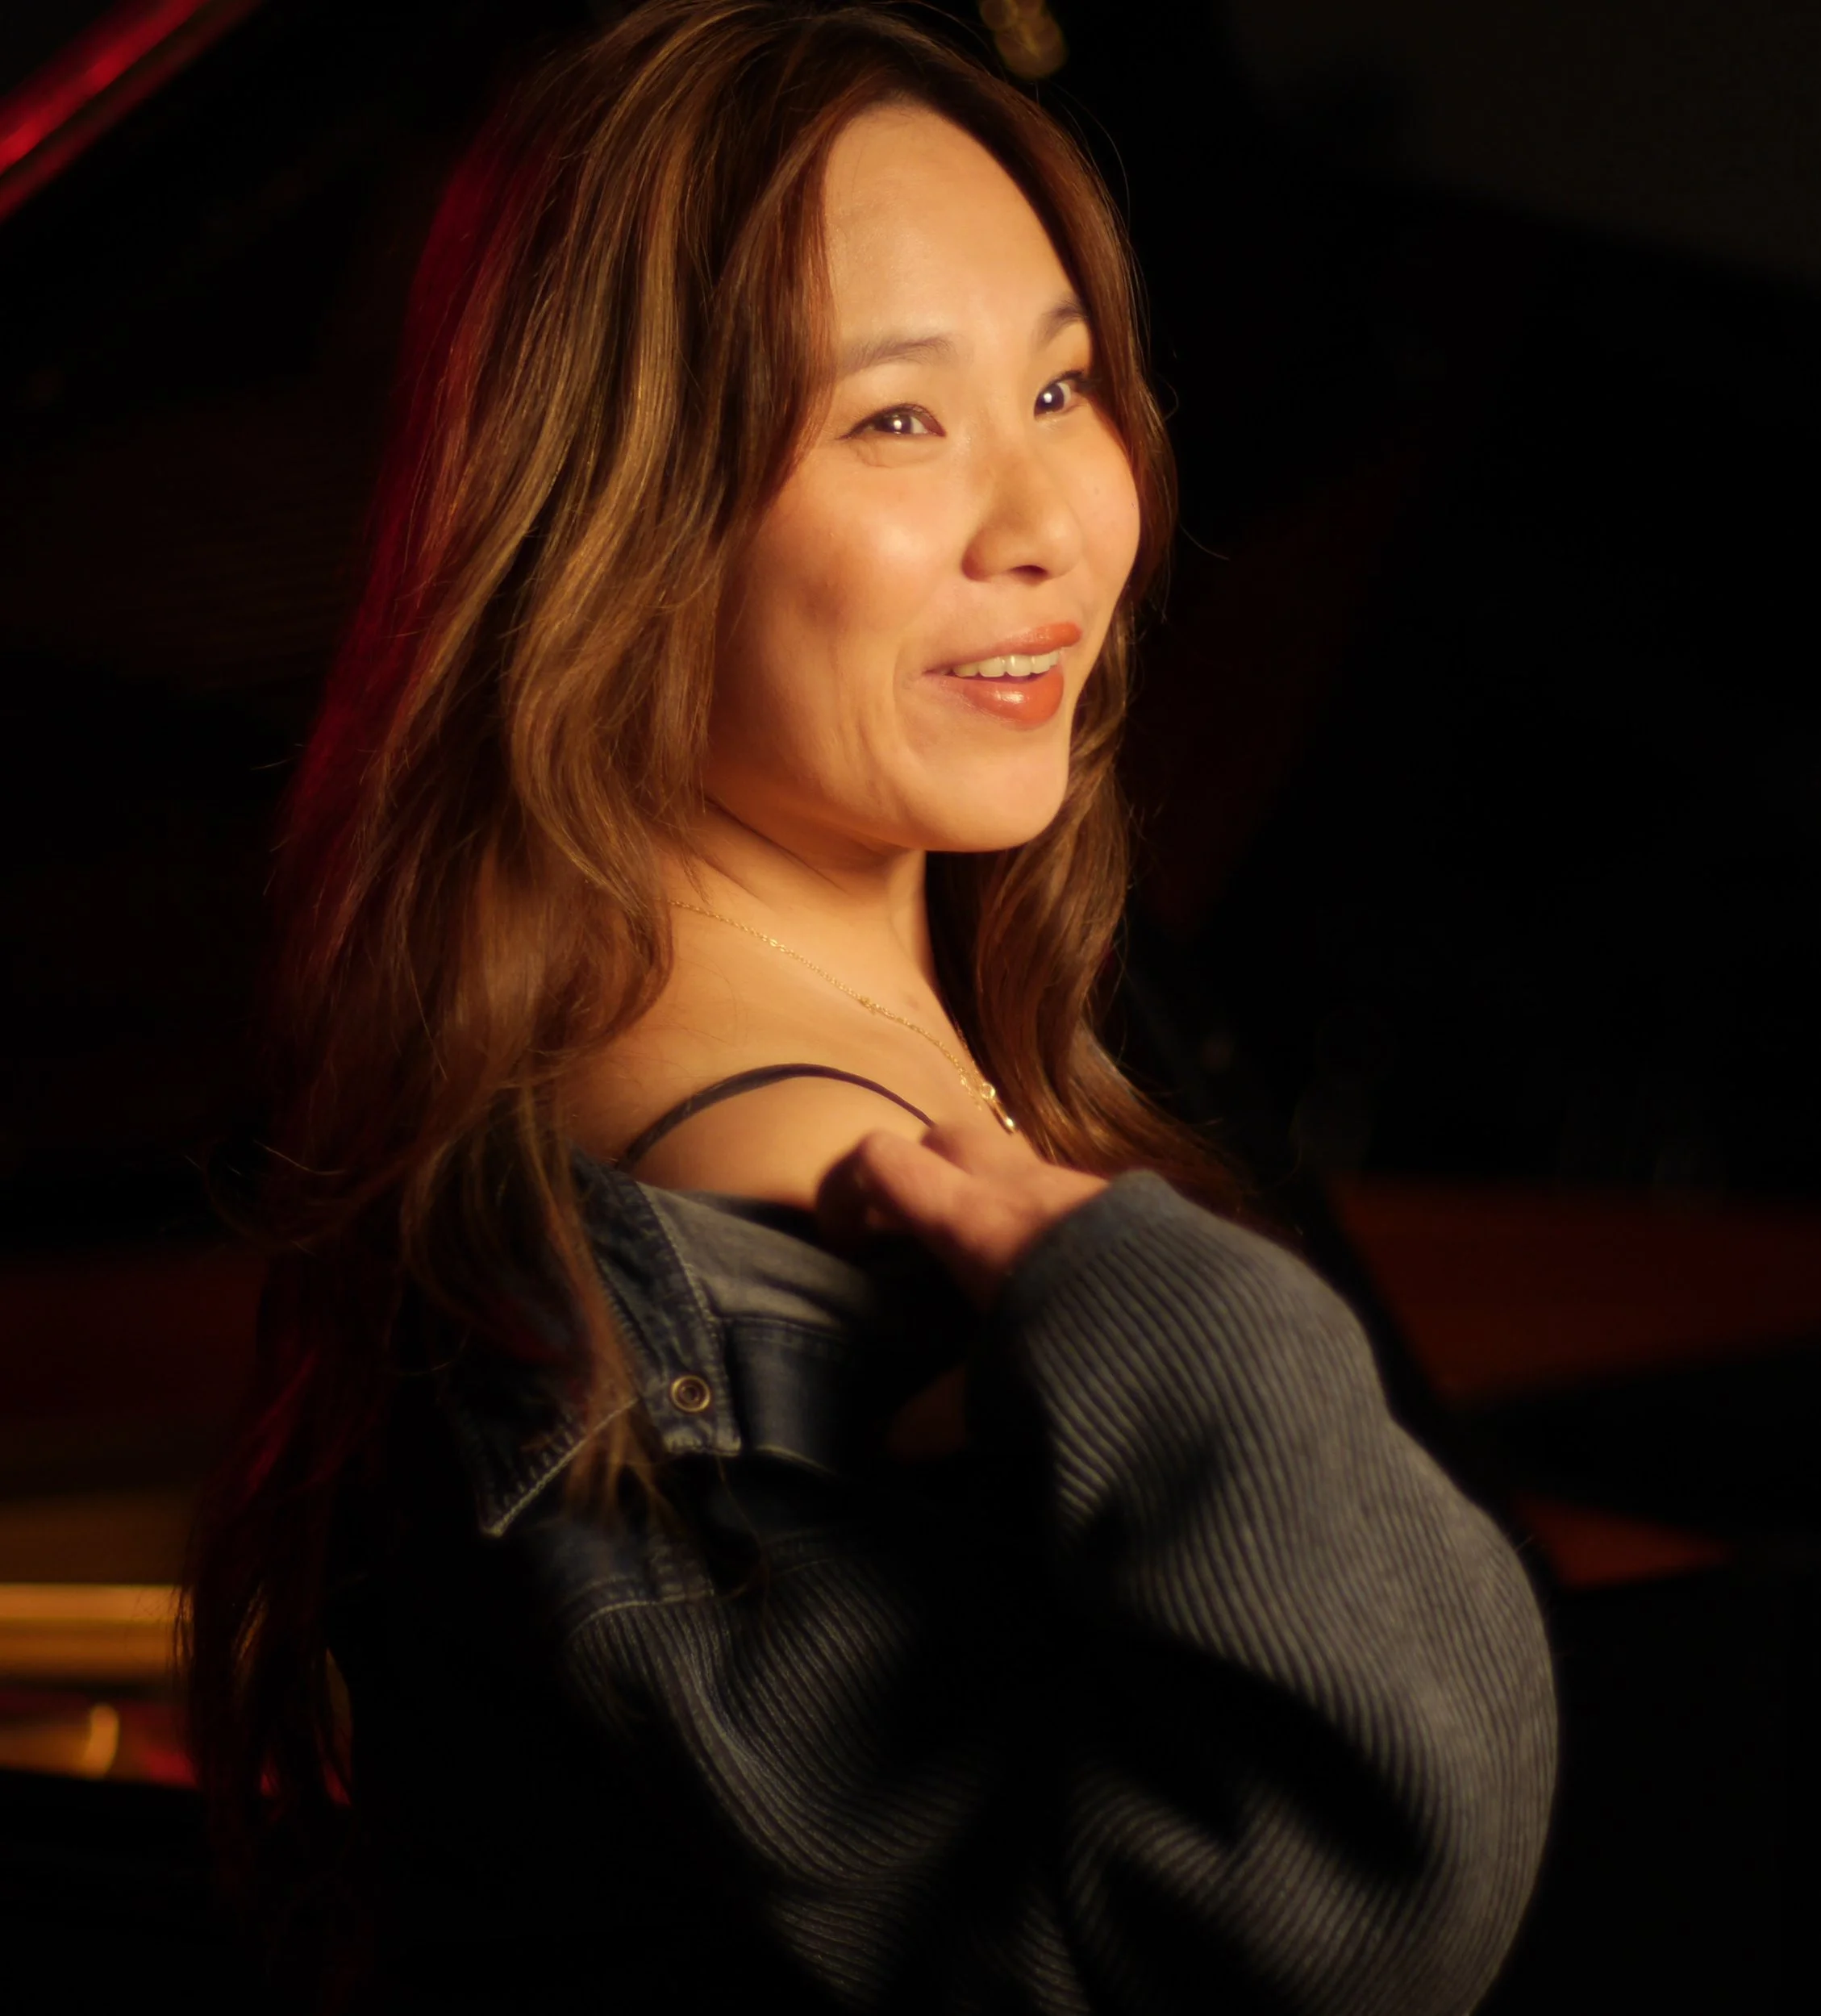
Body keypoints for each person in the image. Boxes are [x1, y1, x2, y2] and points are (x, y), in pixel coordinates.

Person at [185, 4, 1556, 2009]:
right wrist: (1202, 1333)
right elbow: (1337, 1916)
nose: (1046, 521)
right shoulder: (746, 1229)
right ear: (631, 514)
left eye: (1063, 384)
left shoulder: (797, 1057)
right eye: (895, 420)